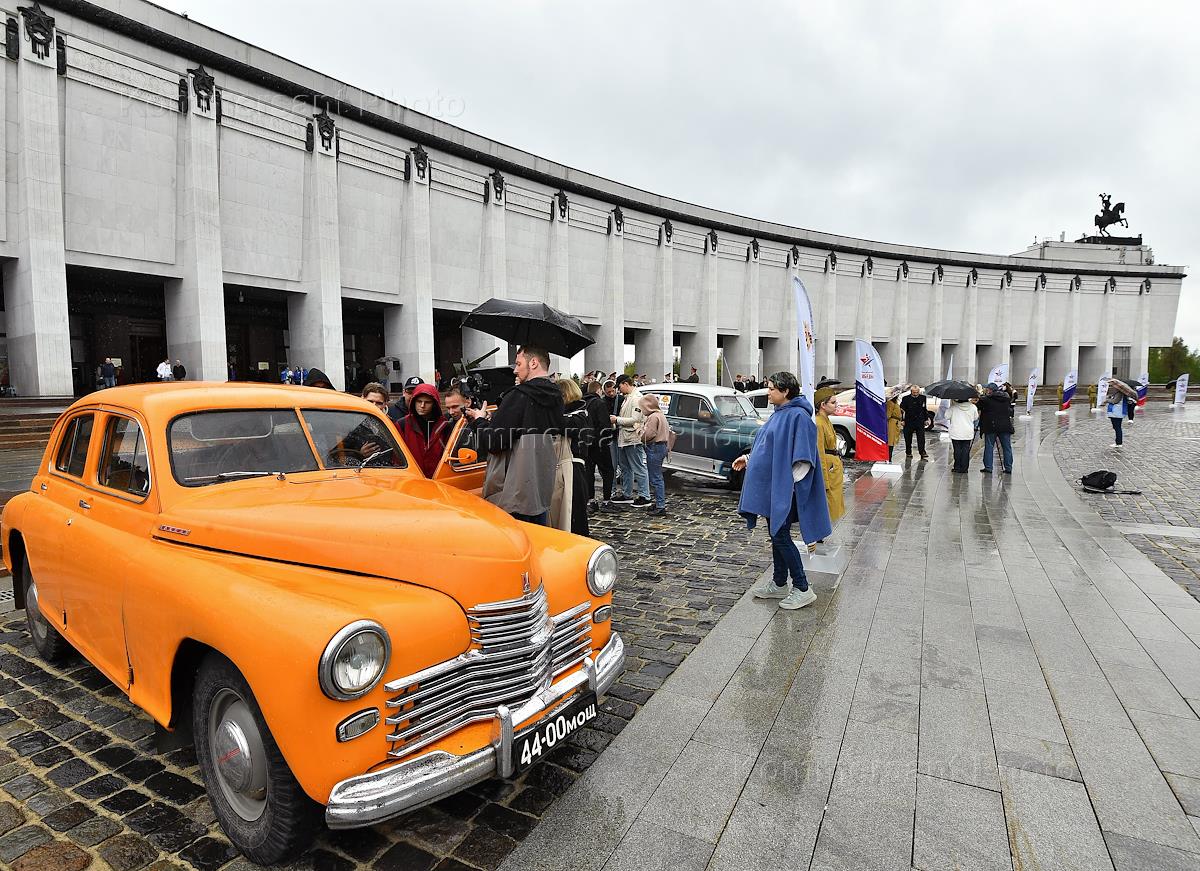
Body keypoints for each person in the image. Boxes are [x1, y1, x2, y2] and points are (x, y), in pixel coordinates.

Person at [733, 372, 831, 610]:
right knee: (776, 534)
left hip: (785, 491)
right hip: (773, 489)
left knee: (780, 536)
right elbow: (769, 448)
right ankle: (779, 583)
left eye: (772, 389)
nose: (768, 392)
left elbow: (804, 459)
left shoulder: (799, 416)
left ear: (786, 391)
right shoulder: (779, 413)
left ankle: (802, 588)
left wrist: (787, 486)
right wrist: (749, 458)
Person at [465, 346, 565, 524]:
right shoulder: (556, 397)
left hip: (513, 493)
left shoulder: (518, 396)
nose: (515, 370)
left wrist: (479, 420)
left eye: (518, 364)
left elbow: (494, 442)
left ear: (533, 363)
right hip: (541, 489)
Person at [556, 378, 593, 535]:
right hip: (567, 466)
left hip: (573, 467)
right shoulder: (575, 414)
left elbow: (564, 425)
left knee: (574, 513)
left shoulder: (579, 416)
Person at [610, 375, 651, 508]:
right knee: (625, 467)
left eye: (619, 386)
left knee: (638, 467)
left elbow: (635, 419)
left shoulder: (636, 398)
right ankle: (627, 494)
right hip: (625, 438)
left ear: (625, 384)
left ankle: (645, 496)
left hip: (633, 438)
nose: (619, 389)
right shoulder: (629, 397)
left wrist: (617, 420)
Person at [813, 387, 845, 524]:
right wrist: (824, 480)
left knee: (833, 505)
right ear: (823, 405)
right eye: (833, 402)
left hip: (833, 467)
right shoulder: (819, 423)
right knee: (828, 506)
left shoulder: (826, 419)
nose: (836, 405)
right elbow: (819, 452)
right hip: (828, 468)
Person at [583, 381, 615, 509]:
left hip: (586, 443)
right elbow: (604, 425)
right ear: (599, 390)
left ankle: (591, 500)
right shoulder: (599, 403)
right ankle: (606, 501)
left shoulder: (582, 403)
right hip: (600, 443)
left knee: (589, 472)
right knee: (608, 471)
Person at [640, 393, 670, 516]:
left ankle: (660, 506)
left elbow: (649, 434)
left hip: (655, 447)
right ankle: (659, 503)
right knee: (657, 477)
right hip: (661, 447)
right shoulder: (660, 414)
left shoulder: (653, 417)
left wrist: (639, 432)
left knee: (656, 478)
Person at [978, 383, 1015, 474]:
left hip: (991, 426)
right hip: (1005, 426)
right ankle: (1008, 467)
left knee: (989, 446)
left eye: (987, 389)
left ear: (990, 390)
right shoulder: (1005, 398)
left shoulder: (986, 399)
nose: (986, 391)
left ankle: (988, 467)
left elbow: (979, 405)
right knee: (1007, 447)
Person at [948, 396, 979, 473]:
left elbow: (946, 416)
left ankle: (957, 467)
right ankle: (965, 468)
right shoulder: (973, 407)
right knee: (966, 449)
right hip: (967, 432)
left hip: (956, 432)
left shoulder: (953, 407)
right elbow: (976, 417)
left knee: (957, 449)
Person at [1105, 379, 1137, 447]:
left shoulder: (1119, 393)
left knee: (1117, 427)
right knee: (1116, 427)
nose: (1112, 387)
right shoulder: (1117, 392)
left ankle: (1118, 443)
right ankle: (1118, 442)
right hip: (1116, 412)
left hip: (1116, 412)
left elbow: (1115, 401)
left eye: (1112, 385)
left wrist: (1107, 400)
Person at [900, 385, 929, 459]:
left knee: (921, 437)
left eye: (917, 392)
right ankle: (908, 452)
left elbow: (924, 409)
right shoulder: (905, 398)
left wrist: (926, 419)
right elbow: (902, 410)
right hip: (909, 421)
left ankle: (922, 452)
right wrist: (902, 420)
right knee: (908, 438)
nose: (915, 394)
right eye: (914, 392)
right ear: (911, 392)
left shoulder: (923, 398)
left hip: (919, 421)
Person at [886, 392, 903, 461]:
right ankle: (888, 457)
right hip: (892, 423)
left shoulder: (895, 403)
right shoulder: (890, 403)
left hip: (895, 422)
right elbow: (888, 415)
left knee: (892, 440)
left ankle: (889, 456)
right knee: (891, 440)